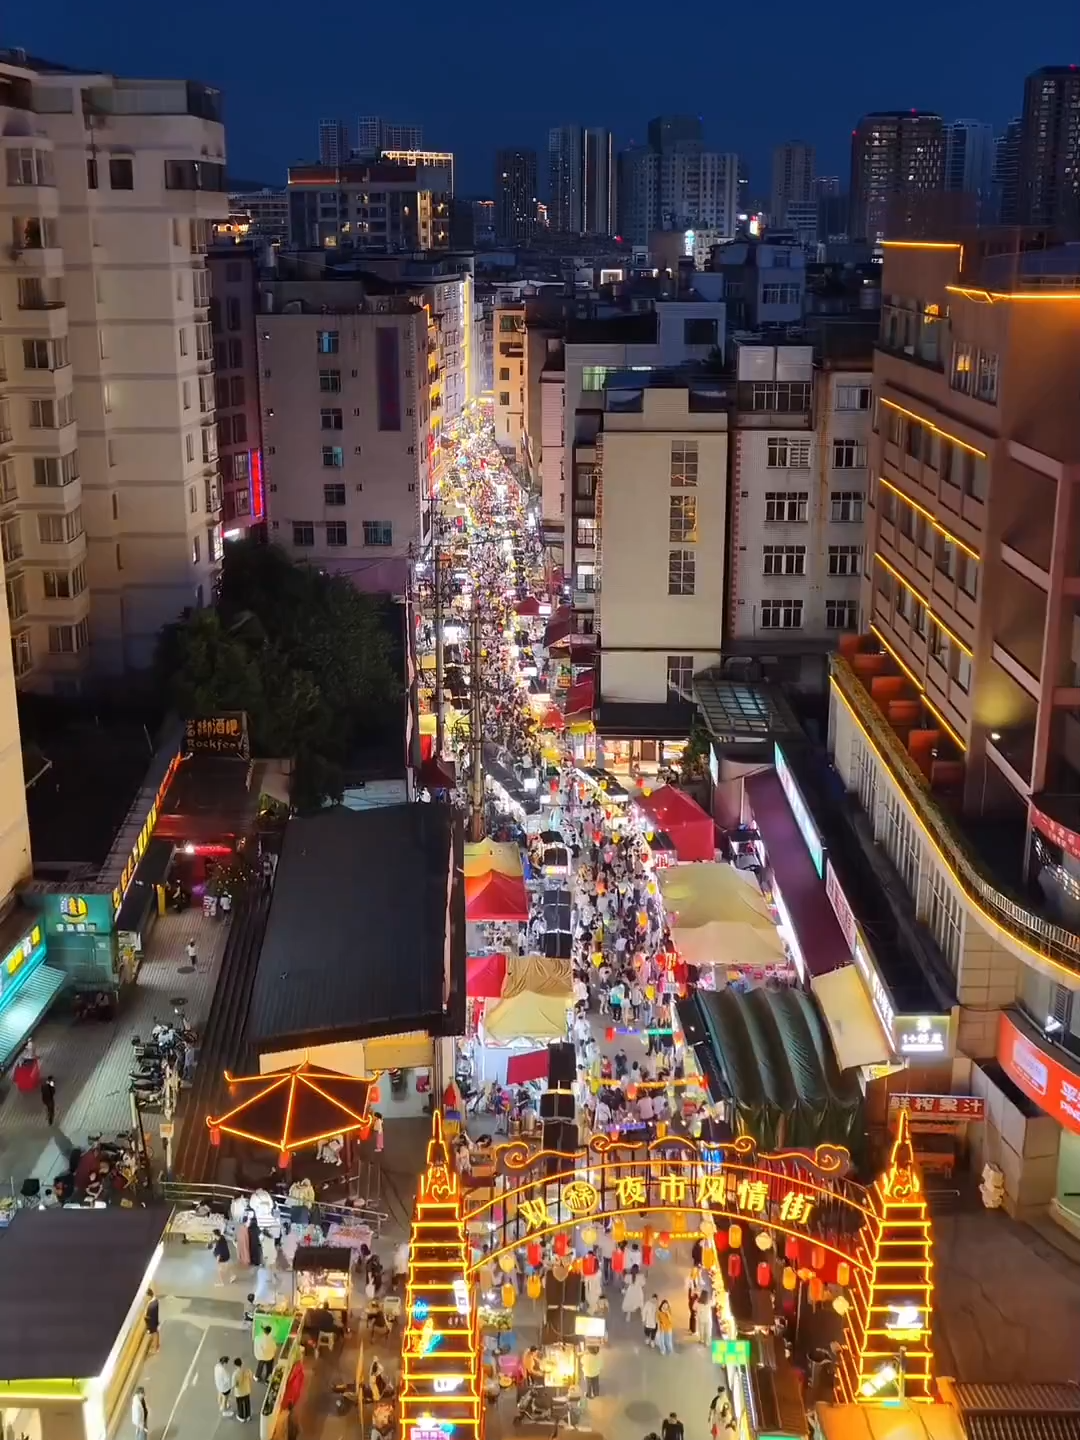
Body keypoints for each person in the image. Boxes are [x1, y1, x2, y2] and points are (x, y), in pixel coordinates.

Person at [144, 1288, 160, 1354]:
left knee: (154, 1334)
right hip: (155, 1320)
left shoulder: (151, 1306)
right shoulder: (155, 1301)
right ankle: (156, 1346)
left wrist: (148, 1327)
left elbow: (148, 1316)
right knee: (155, 1333)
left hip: (152, 1322)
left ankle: (155, 1348)